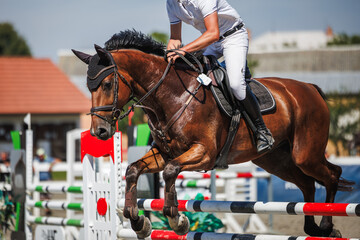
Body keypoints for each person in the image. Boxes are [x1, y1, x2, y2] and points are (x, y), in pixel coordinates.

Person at [166, 0, 274, 153]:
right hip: (211, 43)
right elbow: (175, 38)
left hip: (233, 36)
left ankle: (262, 131)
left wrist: (184, 50)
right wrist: (170, 53)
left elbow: (213, 33)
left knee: (236, 85)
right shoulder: (171, 4)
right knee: (187, 71)